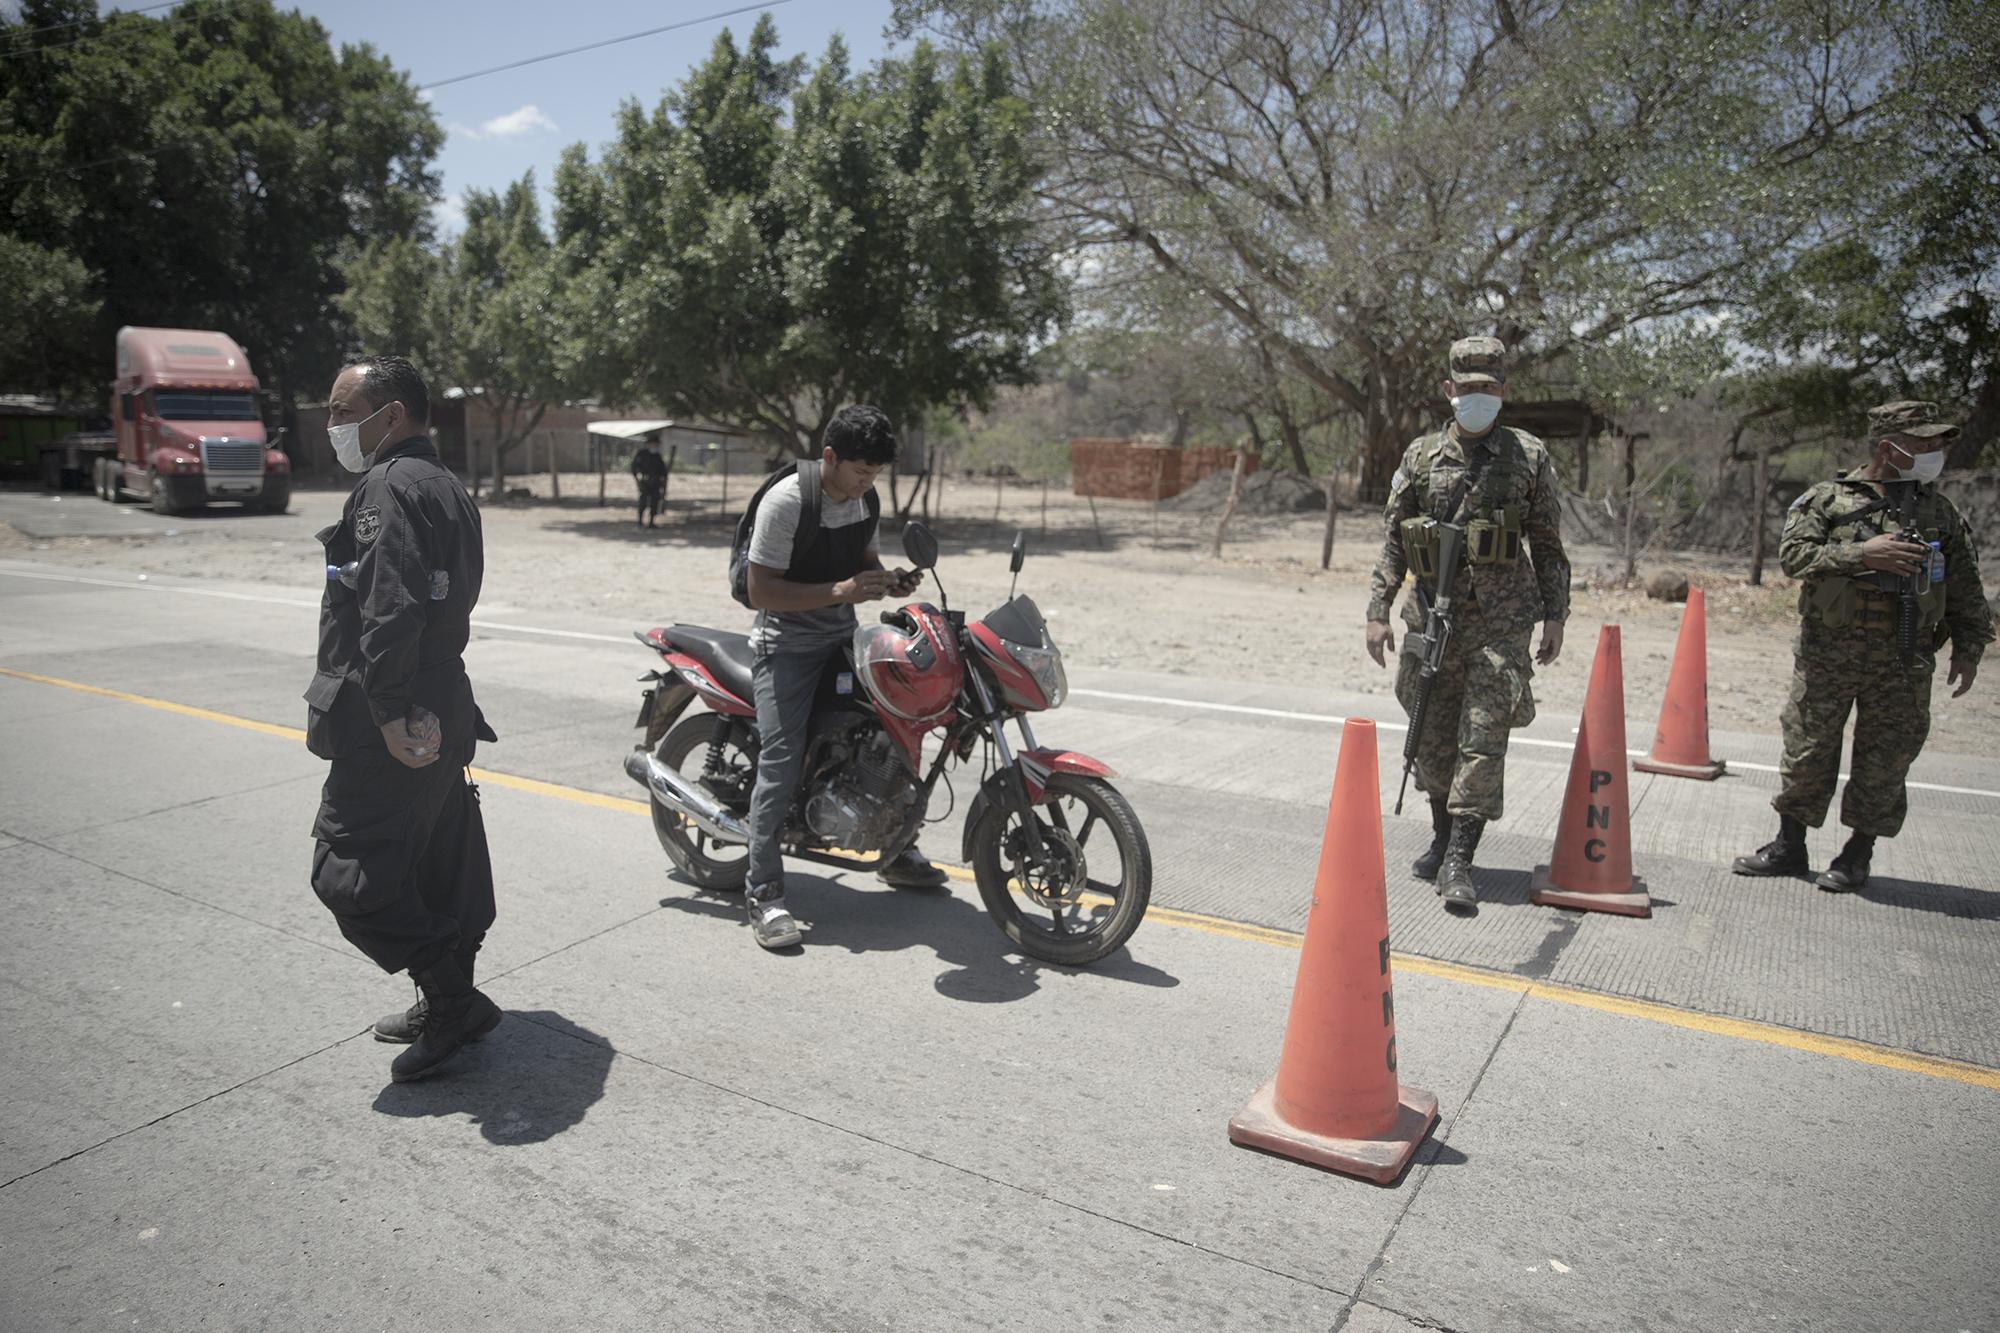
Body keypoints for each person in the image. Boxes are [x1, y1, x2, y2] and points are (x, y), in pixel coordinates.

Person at [305, 355, 502, 1081]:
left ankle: (451, 1001)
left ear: (390, 415)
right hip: (442, 697)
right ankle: (446, 995)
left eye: (339, 410)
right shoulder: (449, 486)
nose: (331, 425)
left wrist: (387, 711)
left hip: (397, 712)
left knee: (346, 870)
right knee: (437, 859)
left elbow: (390, 609)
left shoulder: (386, 488)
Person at [1732, 400, 1992, 891]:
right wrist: (1862, 553)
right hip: (1829, 653)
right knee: (1808, 750)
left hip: (1905, 657)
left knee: (1887, 759)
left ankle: (1856, 855)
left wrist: (1969, 646)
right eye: (1923, 443)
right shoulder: (1827, 499)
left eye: (1937, 443)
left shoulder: (1939, 510)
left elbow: (1964, 586)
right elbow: (1794, 557)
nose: (1935, 451)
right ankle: (1789, 846)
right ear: (1888, 448)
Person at [1365, 336, 1570, 910]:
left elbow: (1549, 544)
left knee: (1482, 742)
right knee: (1432, 739)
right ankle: (1439, 834)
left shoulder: (1528, 456)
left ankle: (1460, 856)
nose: (1477, 397)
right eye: (1467, 389)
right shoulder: (1421, 456)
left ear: (1503, 392)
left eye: (1489, 388)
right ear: (1448, 391)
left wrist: (1556, 613)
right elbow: (1393, 541)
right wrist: (1377, 611)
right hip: (1432, 620)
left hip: (1501, 625)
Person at [740, 404, 948, 949]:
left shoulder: (865, 500)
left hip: (840, 636)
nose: (866, 483)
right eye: (860, 471)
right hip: (784, 645)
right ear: (829, 456)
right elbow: (761, 591)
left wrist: (889, 582)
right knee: (781, 759)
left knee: (896, 727)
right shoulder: (787, 502)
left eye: (875, 474)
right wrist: (840, 592)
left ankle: (896, 848)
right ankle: (763, 893)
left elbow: (864, 565)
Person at [631, 437, 668, 527]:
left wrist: (663, 481)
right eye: (654, 444)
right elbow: (635, 467)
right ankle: (640, 521)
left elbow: (663, 470)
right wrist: (638, 479)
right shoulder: (642, 454)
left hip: (655, 483)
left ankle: (651, 522)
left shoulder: (657, 456)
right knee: (643, 502)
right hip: (644, 481)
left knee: (654, 502)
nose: (655, 446)